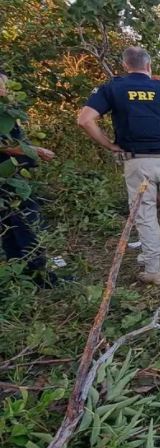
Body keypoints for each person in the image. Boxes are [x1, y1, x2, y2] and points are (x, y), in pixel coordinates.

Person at [77, 47, 160, 285]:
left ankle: (153, 269)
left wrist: (111, 145)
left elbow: (85, 120)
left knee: (145, 214)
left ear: (126, 65)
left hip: (136, 162)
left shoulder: (112, 88)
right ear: (149, 65)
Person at [0, 70, 61, 288]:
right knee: (27, 222)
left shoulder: (6, 112)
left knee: (9, 224)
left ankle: (19, 274)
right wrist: (35, 150)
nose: (8, 89)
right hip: (8, 178)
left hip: (11, 177)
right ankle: (41, 274)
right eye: (5, 85)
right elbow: (4, 145)